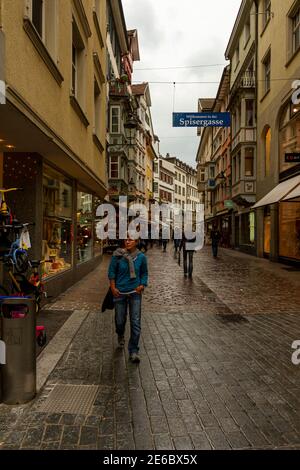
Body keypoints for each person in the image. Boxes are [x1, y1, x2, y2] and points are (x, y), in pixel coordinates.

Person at [108, 237, 148, 364]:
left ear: (136, 242)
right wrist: (113, 288)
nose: (128, 241)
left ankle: (133, 351)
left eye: (131, 240)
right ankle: (120, 334)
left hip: (135, 293)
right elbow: (111, 272)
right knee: (120, 320)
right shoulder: (117, 255)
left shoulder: (141, 257)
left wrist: (142, 284)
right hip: (119, 292)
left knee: (135, 322)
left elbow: (144, 273)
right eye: (126, 239)